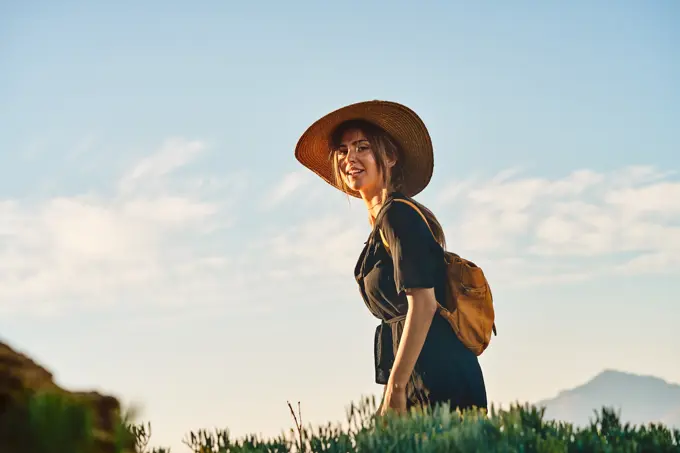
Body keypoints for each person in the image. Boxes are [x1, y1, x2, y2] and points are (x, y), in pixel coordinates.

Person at [294, 100, 487, 417]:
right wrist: (396, 388)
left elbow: (423, 304)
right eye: (342, 150)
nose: (349, 158)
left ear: (390, 156)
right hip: (418, 376)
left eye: (362, 147)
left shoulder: (397, 215)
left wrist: (396, 390)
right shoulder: (385, 224)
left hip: (437, 380)